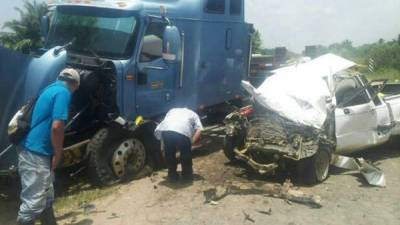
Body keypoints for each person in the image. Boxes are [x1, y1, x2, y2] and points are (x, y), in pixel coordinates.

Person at [16, 68, 80, 225]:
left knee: (46, 195)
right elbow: (57, 127)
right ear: (75, 85)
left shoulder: (50, 88)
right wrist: (58, 154)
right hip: (36, 153)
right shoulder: (63, 93)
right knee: (33, 202)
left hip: (36, 150)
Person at [154, 108, 203, 182]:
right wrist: (191, 143)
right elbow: (199, 130)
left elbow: (165, 122)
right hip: (182, 130)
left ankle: (172, 175)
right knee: (185, 154)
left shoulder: (172, 110)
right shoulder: (194, 114)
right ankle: (187, 177)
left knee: (170, 154)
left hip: (166, 130)